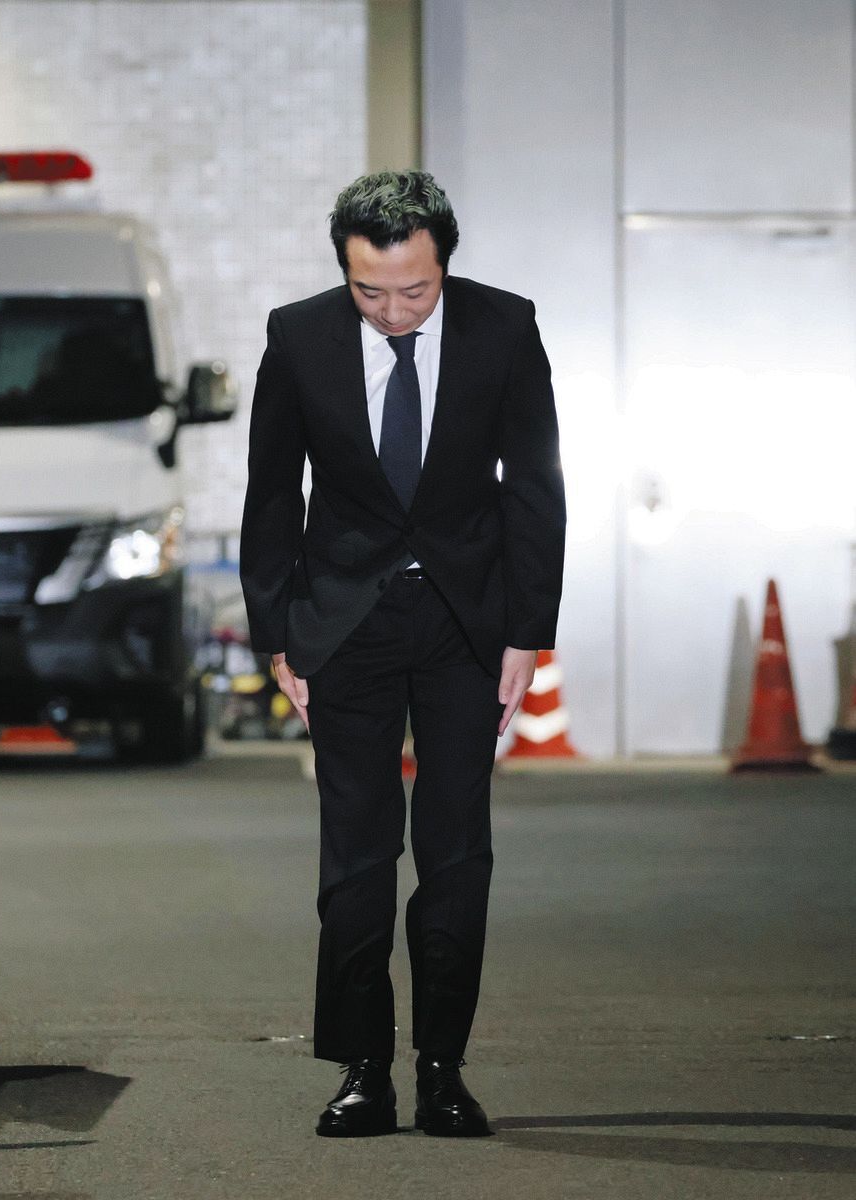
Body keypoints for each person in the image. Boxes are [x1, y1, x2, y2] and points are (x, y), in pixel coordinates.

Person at [240, 171, 565, 1138]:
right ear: (344, 268)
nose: (391, 311)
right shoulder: (298, 336)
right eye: (368, 290)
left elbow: (535, 484)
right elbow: (271, 490)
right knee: (357, 851)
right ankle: (362, 1069)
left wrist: (527, 631)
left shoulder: (505, 328)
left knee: (457, 848)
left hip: (468, 623)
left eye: (414, 290)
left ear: (444, 266)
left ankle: (443, 1070)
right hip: (346, 623)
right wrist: (277, 635)